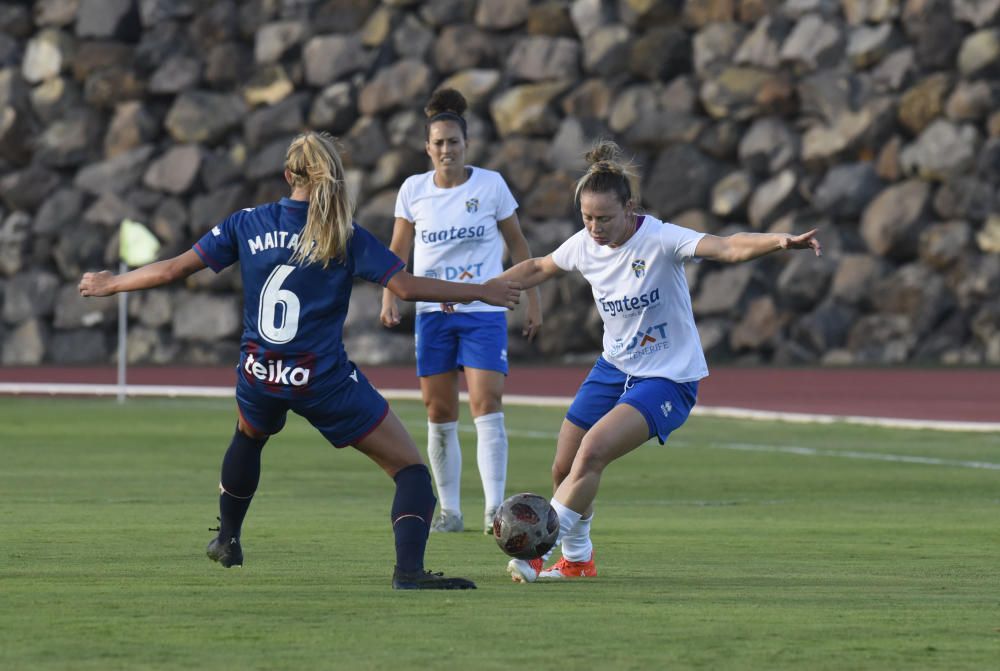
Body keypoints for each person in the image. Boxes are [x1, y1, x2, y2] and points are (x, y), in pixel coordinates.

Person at [78, 132, 523, 590]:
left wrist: (113, 284)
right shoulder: (342, 234)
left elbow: (175, 268)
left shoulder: (246, 223)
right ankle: (408, 572)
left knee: (248, 438)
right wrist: (481, 290)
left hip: (260, 373)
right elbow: (405, 287)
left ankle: (228, 538)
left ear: (288, 175)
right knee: (410, 472)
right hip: (323, 381)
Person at [499, 141, 822, 583]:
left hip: (668, 379)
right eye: (587, 217)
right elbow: (537, 267)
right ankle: (577, 561)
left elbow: (727, 247)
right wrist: (478, 292)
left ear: (629, 208)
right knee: (563, 465)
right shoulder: (583, 245)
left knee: (592, 453)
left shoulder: (662, 238)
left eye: (604, 218)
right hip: (614, 369)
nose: (594, 227)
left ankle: (538, 549)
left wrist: (779, 242)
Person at [380, 88, 542, 535]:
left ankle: (495, 510)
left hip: (485, 312)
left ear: (465, 144)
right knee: (438, 411)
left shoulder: (490, 184)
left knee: (487, 402)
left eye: (454, 142)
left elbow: (519, 247)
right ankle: (449, 510)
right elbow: (398, 249)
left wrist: (533, 299)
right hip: (433, 314)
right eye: (439, 143)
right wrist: (389, 295)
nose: (446, 150)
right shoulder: (413, 190)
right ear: (427, 148)